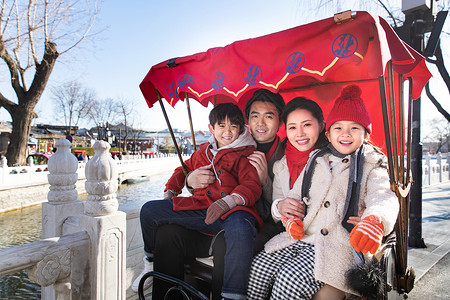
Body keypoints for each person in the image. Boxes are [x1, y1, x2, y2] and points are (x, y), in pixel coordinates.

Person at [247, 85, 399, 300]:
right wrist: (288, 215)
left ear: (365, 134)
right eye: (339, 128)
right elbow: (296, 194)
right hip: (304, 236)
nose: (345, 134)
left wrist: (375, 218)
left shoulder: (371, 163)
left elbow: (382, 195)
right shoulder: (318, 159)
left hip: (338, 243)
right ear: (329, 132)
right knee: (259, 267)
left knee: (289, 279)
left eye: (354, 128)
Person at [132, 89, 287, 299]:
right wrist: (188, 181)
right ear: (247, 121)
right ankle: (166, 292)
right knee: (167, 232)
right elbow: (190, 172)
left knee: (231, 238)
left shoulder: (277, 152)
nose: (261, 122)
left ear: (280, 121)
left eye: (268, 116)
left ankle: (228, 295)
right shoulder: (209, 150)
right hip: (209, 213)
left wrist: (264, 182)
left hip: (253, 221)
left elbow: (271, 196)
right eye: (254, 116)